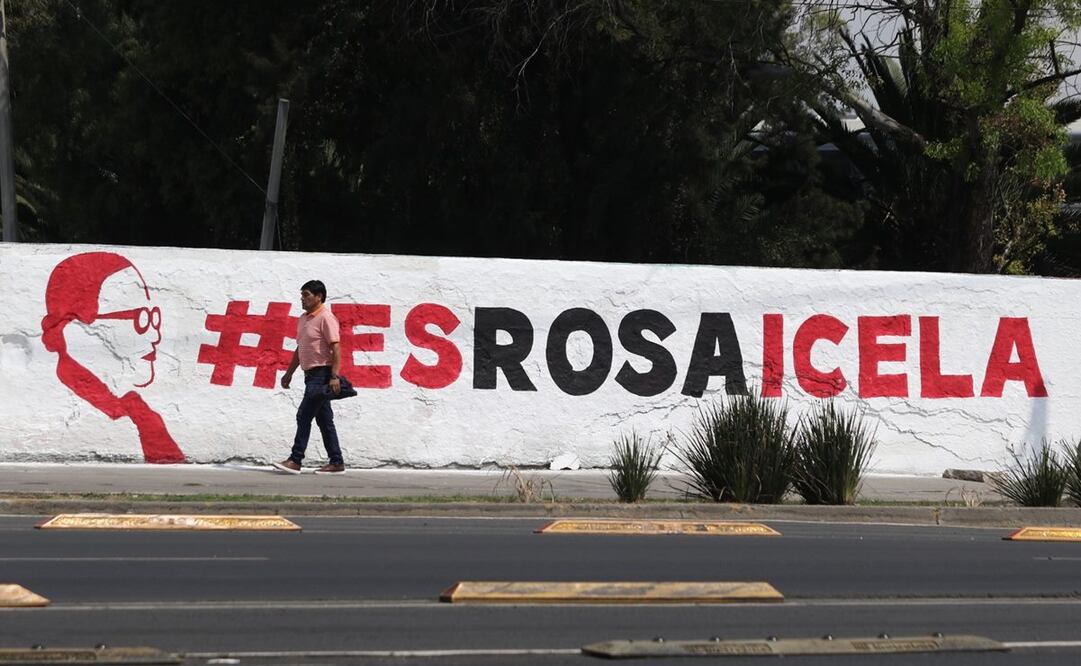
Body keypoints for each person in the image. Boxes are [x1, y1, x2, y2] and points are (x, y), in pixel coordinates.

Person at [41, 252, 185, 464]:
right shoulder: (79, 420)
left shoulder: (136, 409)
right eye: (141, 319)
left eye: (153, 318)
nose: (155, 336)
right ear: (74, 327)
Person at [273, 280, 347, 474]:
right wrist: (289, 373)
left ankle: (296, 460)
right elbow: (301, 348)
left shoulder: (326, 317)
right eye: (302, 295)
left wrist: (334, 376)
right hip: (309, 375)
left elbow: (336, 348)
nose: (302, 299)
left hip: (322, 374)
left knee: (303, 415)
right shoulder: (303, 319)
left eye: (306, 295)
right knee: (324, 420)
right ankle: (336, 462)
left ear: (319, 296)